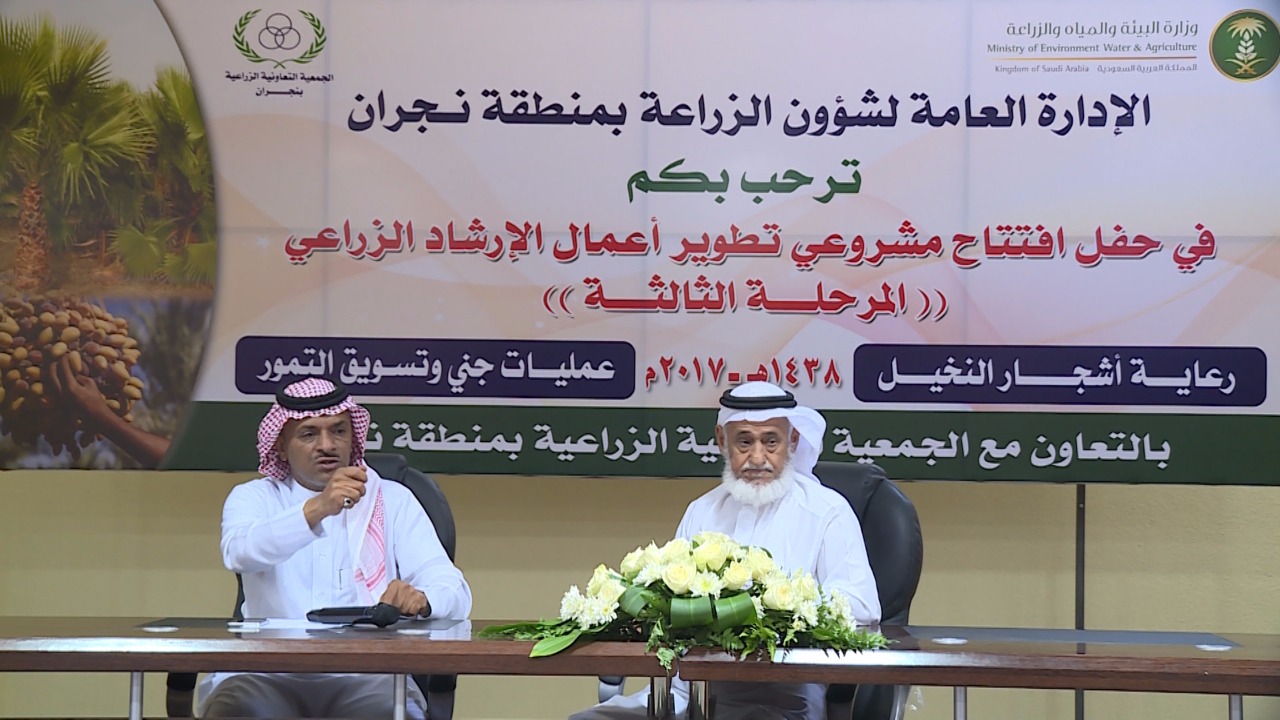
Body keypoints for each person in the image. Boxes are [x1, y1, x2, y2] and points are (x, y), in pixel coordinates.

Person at [572, 381, 880, 720]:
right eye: (744, 442)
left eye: (771, 441)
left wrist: (774, 606)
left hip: (784, 698)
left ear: (792, 441)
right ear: (722, 440)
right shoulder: (701, 511)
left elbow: (863, 608)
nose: (758, 458)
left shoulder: (827, 512)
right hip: (685, 691)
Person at [198, 377, 472, 719]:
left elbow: (454, 589)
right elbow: (239, 552)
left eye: (338, 431)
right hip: (266, 672)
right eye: (308, 434)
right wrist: (319, 508)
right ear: (280, 446)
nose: (326, 445)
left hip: (367, 675)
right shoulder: (255, 497)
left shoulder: (391, 499)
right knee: (236, 710)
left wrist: (424, 599)